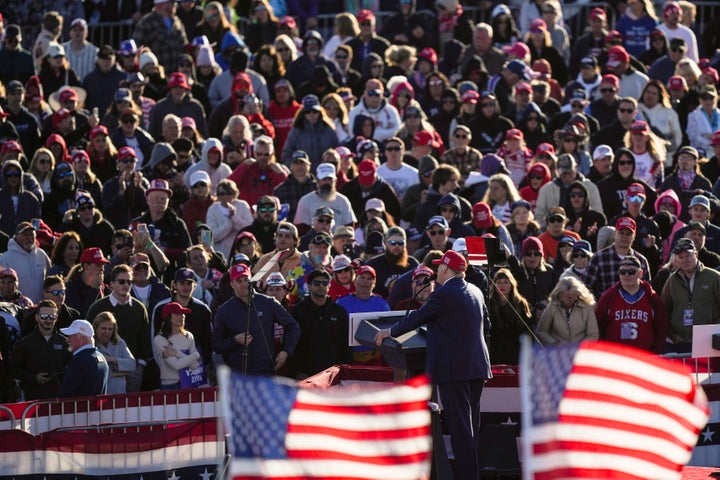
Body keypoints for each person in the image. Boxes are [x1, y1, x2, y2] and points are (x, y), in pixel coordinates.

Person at [375, 250, 491, 480]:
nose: (437, 270)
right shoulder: (476, 290)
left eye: (439, 267)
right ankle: (471, 474)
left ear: (447, 269)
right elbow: (487, 325)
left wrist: (389, 331)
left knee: (460, 430)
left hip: (453, 370)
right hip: (477, 366)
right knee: (470, 429)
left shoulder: (444, 293)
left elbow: (417, 317)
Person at [212, 263, 300, 375]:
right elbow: (216, 344)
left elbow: (293, 327)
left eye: (246, 280)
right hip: (239, 375)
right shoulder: (223, 310)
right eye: (239, 281)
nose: (244, 284)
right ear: (232, 284)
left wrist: (286, 351)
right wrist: (234, 340)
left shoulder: (268, 302)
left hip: (266, 372)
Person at [86, 264, 150, 392]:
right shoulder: (97, 307)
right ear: (111, 284)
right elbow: (88, 336)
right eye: (121, 281)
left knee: (131, 409)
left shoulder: (139, 308)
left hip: (132, 369)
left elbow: (144, 337)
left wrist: (141, 365)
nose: (126, 285)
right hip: (105, 368)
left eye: (129, 282)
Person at [595, 255, 668, 353]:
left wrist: (655, 351)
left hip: (644, 357)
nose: (626, 275)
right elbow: (599, 325)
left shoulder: (651, 297)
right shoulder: (609, 296)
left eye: (631, 272)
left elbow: (661, 326)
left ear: (640, 273)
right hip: (616, 357)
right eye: (622, 272)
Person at [289, 268, 351, 378]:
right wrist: (296, 371)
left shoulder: (339, 311)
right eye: (317, 283)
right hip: (306, 373)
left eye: (325, 283)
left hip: (333, 372)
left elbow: (345, 343)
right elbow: (291, 342)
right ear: (309, 286)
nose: (321, 286)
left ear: (329, 285)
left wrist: (345, 369)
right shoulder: (297, 311)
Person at [661, 238, 720, 352]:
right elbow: (664, 309)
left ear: (696, 254)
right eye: (680, 257)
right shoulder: (672, 280)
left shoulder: (714, 277)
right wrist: (672, 334)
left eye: (688, 255)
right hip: (680, 343)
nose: (684, 260)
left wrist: (715, 331)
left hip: (709, 343)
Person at [9, 299, 71, 400]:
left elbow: (71, 368)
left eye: (52, 317)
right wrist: (34, 378)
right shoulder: (24, 343)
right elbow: (13, 369)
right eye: (44, 316)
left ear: (56, 318)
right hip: (33, 400)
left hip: (59, 401)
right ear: (37, 317)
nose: (48, 320)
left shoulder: (64, 342)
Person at [584, 217, 652, 300]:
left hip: (633, 310)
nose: (624, 236)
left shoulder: (642, 261)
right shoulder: (598, 258)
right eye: (621, 233)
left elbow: (647, 290)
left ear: (634, 237)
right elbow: (586, 288)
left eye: (628, 234)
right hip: (605, 309)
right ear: (614, 234)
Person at [153, 301, 203, 390]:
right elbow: (176, 365)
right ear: (168, 317)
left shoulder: (189, 336)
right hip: (170, 385)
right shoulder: (159, 339)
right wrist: (195, 355)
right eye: (177, 314)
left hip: (189, 382)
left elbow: (195, 365)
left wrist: (176, 353)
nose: (182, 316)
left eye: (182, 313)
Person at [536, 276, 600, 345]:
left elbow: (593, 334)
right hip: (558, 352)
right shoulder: (552, 306)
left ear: (577, 294)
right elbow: (541, 332)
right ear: (559, 294)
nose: (569, 300)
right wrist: (555, 343)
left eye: (571, 297)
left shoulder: (587, 307)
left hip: (580, 352)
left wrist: (580, 346)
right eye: (566, 297)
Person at [0, 221, 51, 304]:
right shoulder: (5, 258)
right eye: (25, 234)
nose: (29, 237)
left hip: (41, 309)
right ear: (16, 237)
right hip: (17, 309)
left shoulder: (41, 254)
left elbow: (50, 279)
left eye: (31, 234)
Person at [58, 319, 109, 397]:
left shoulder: (79, 361)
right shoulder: (101, 357)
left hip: (79, 408)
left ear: (83, 339)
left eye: (70, 336)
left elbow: (66, 394)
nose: (67, 340)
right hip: (96, 408)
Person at [92, 311, 136, 394]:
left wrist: (113, 360)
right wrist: (118, 373)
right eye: (103, 328)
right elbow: (94, 373)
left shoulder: (119, 343)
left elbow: (132, 364)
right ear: (96, 328)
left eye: (110, 329)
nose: (107, 332)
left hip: (119, 393)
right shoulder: (91, 345)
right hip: (100, 394)